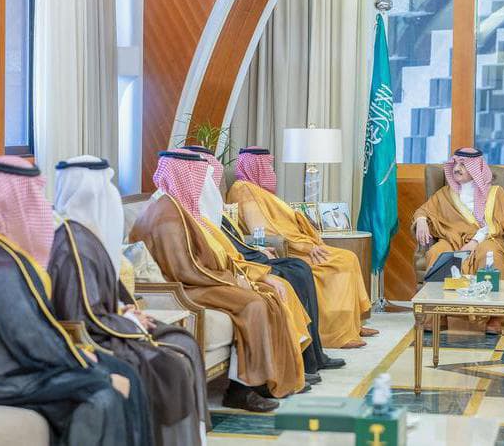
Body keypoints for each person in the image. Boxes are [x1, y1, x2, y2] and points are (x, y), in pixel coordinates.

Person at [129, 149, 309, 412]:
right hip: (183, 288)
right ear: (183, 177)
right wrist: (231, 281)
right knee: (253, 304)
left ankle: (263, 378)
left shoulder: (176, 208)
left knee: (264, 296)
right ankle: (240, 389)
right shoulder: (167, 215)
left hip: (196, 281)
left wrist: (236, 277)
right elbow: (184, 270)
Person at [47, 155, 208, 446]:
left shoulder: (86, 237)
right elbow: (81, 316)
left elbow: (105, 294)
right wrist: (129, 319)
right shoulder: (73, 245)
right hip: (96, 336)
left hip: (110, 323)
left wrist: (125, 309)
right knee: (170, 364)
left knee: (184, 343)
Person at [0, 156, 151, 446]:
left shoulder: (4, 253)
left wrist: (76, 354)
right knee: (101, 393)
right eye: (32, 197)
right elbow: (28, 335)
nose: (40, 206)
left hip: (13, 363)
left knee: (123, 372)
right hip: (3, 375)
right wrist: (77, 359)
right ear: (8, 204)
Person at [183, 145, 346, 377]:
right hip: (232, 268)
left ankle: (313, 355)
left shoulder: (200, 210)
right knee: (292, 275)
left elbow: (232, 240)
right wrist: (249, 273)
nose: (211, 184)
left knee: (299, 268)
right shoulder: (184, 213)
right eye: (205, 178)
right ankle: (300, 361)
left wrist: (257, 249)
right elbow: (203, 261)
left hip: (242, 256)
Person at [226, 147, 376, 349]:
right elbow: (262, 229)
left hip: (299, 245)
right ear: (255, 167)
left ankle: (352, 325)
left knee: (349, 257)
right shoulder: (244, 190)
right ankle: (336, 333)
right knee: (341, 262)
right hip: (290, 249)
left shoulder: (257, 190)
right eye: (268, 167)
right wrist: (305, 246)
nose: (272, 172)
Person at [412, 147, 504, 332]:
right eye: (455, 164)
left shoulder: (495, 193)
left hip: (485, 239)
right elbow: (424, 210)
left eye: (463, 165)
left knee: (490, 256)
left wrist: (474, 242)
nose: (457, 168)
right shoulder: (446, 193)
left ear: (476, 168)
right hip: (453, 239)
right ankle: (437, 314)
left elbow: (497, 223)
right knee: (437, 252)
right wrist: (421, 219)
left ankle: (493, 317)